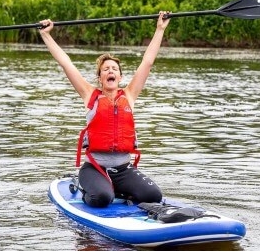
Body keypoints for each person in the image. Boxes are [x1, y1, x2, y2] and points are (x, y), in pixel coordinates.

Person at [39, 11, 171, 208]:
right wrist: (46, 35)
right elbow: (65, 63)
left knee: (153, 196)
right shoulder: (89, 95)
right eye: (106, 69)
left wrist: (160, 29)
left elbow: (147, 62)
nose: (110, 71)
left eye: (114, 69)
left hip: (123, 170)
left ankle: (116, 189)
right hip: (95, 168)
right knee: (102, 199)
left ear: (120, 77)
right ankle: (88, 188)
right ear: (100, 78)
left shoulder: (129, 95)